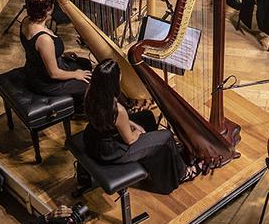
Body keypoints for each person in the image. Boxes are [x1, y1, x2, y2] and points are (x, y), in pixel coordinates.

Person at [83, 60, 195, 194]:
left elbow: (112, 120)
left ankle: (155, 162)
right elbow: (129, 140)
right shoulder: (117, 110)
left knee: (147, 116)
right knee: (166, 136)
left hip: (93, 139)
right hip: (110, 152)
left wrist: (133, 123)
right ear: (113, 81)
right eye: (119, 74)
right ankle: (182, 173)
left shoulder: (91, 93)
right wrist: (138, 131)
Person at [20, 0, 91, 103]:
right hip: (46, 82)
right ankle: (77, 108)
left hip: (34, 69)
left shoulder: (26, 21)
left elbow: (37, 52)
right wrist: (75, 74)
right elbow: (54, 74)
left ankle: (77, 101)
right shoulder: (44, 39)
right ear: (48, 10)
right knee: (91, 82)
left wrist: (59, 56)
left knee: (85, 63)